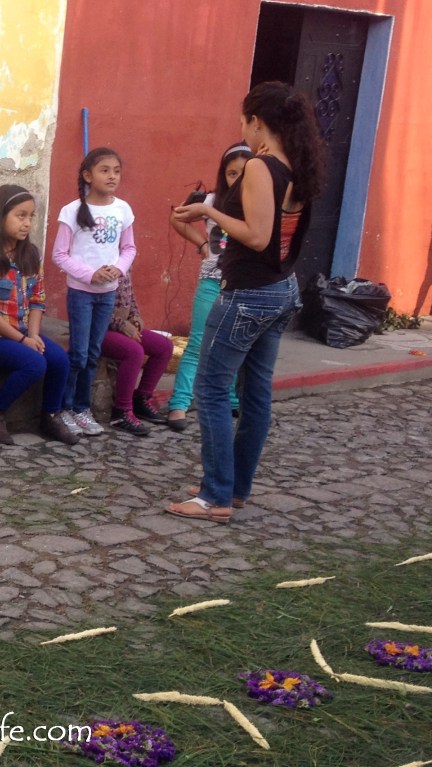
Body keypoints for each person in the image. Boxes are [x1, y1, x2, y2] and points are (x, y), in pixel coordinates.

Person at [167, 81, 325, 524]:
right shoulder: (298, 164)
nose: (242, 130)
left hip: (249, 293)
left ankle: (214, 495)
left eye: (243, 122)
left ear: (256, 122)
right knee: (255, 393)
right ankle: (234, 488)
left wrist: (208, 212)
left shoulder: (260, 166)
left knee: (212, 389)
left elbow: (256, 236)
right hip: (281, 289)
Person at [0, 187, 77, 446]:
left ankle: (50, 415)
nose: (27, 223)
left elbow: (38, 299)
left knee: (59, 360)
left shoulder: (31, 254)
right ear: (0, 216)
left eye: (31, 216)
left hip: (24, 331)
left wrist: (33, 335)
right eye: (20, 215)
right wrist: (23, 340)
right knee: (34, 363)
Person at [165, 143, 252, 431]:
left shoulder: (259, 204)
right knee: (198, 343)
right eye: (231, 173)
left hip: (244, 285)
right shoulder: (212, 201)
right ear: (223, 174)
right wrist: (202, 244)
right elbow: (177, 217)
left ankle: (231, 398)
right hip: (212, 282)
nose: (237, 179)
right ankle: (179, 403)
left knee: (236, 344)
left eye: (244, 173)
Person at [52, 147, 137, 437]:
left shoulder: (122, 209)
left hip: (108, 293)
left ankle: (82, 408)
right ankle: (64, 408)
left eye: (116, 171)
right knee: (78, 353)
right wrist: (90, 274)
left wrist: (118, 269)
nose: (112, 176)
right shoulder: (72, 211)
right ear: (88, 176)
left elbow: (129, 248)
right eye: (104, 170)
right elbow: (60, 254)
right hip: (81, 293)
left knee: (93, 353)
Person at [98, 274, 172, 436]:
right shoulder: (98, 264)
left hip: (123, 326)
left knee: (164, 346)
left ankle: (141, 398)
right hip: (98, 328)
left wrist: (135, 318)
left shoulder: (125, 263)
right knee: (134, 351)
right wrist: (121, 325)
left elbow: (129, 295)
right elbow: (95, 307)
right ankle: (121, 413)